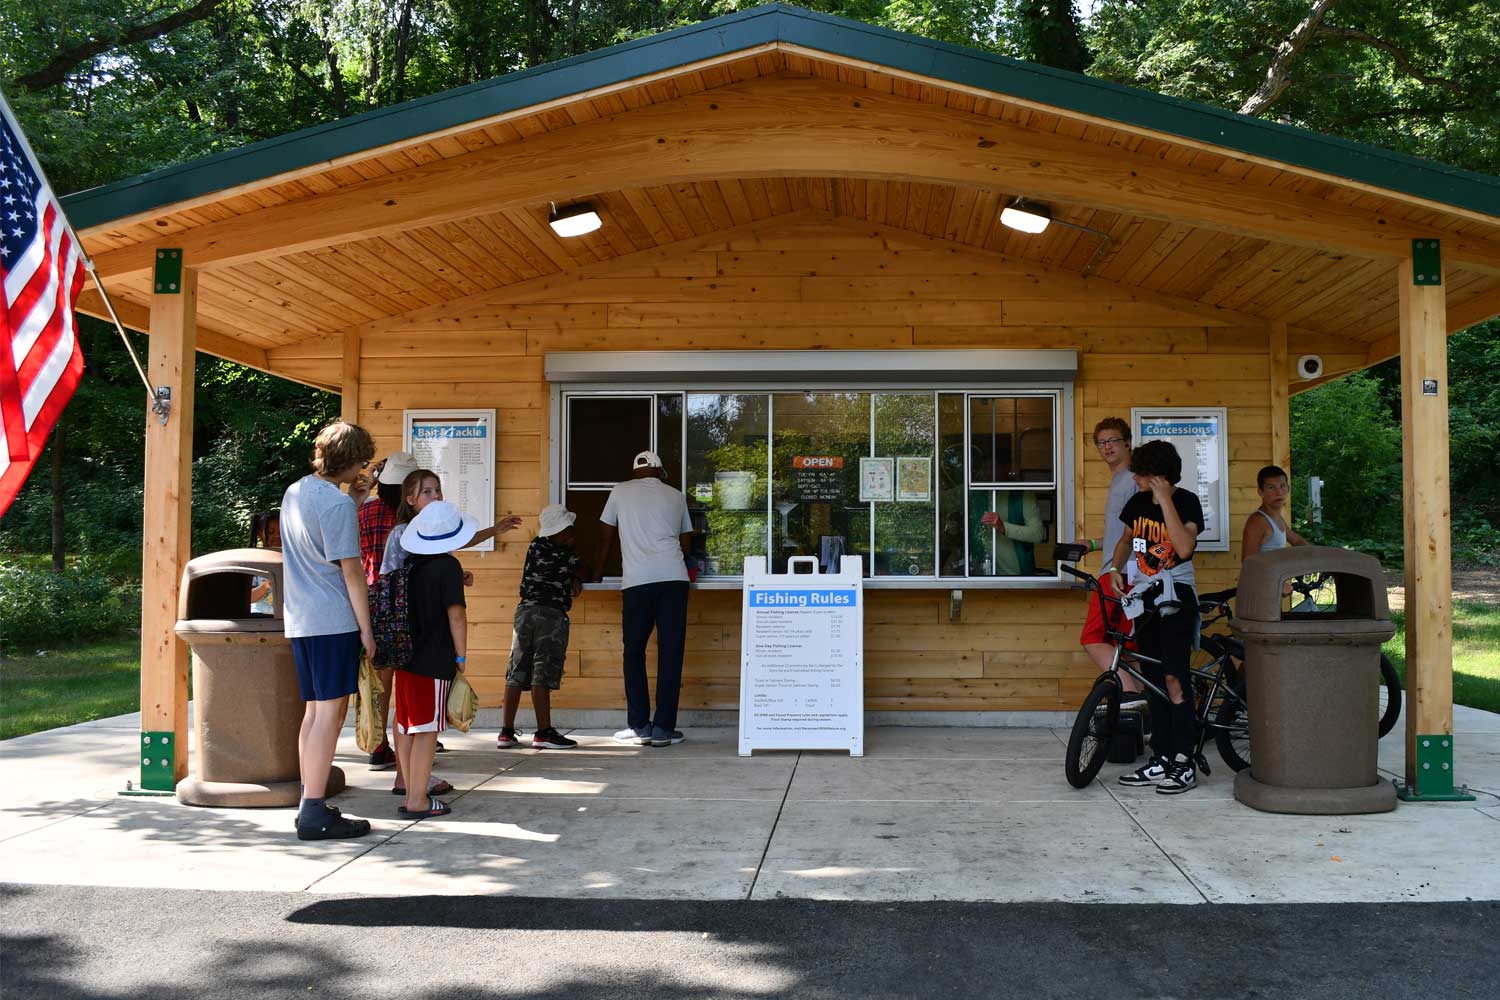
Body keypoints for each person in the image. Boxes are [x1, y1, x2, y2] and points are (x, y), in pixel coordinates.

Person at [379, 467, 521, 797]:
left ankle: (410, 778)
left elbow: (455, 542)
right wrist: (461, 653)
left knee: (411, 716)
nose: (435, 496)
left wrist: (490, 534)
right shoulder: (403, 533)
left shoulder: (431, 542)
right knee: (419, 721)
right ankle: (409, 781)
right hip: (415, 640)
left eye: (438, 490)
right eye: (427, 491)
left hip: (412, 641)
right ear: (410, 499)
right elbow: (395, 581)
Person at [279, 420, 376, 840]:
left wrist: (352, 502)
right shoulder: (336, 507)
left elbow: (317, 544)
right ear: (353, 461)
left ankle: (309, 801)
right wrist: (367, 632)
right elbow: (351, 572)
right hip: (333, 620)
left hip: (301, 618)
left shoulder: (297, 491)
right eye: (364, 461)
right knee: (330, 715)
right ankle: (315, 812)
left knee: (314, 712)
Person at [1106, 439, 1205, 795]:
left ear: (1159, 476)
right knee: (1153, 681)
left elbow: (1183, 548)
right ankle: (1161, 756)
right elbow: (1126, 540)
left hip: (1175, 596)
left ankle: (1184, 760)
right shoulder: (1135, 503)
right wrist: (1115, 568)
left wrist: (1165, 500)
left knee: (1175, 678)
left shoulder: (1186, 501)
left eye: (1142, 474)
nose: (1135, 479)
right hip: (1144, 597)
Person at [593, 450, 694, 748]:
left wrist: (597, 574)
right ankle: (664, 728)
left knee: (633, 652)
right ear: (660, 471)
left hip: (637, 583)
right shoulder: (676, 495)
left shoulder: (619, 491)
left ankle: (639, 726)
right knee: (671, 652)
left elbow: (605, 536)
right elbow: (686, 541)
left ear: (635, 471)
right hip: (674, 580)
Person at [394, 500, 476, 819]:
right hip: (434, 661)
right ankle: (417, 800)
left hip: (406, 660)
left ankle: (411, 789)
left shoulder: (411, 565)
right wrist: (461, 656)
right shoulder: (448, 568)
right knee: (428, 731)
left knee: (407, 726)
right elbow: (456, 616)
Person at [498, 504, 589, 751]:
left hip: (524, 612)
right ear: (560, 532)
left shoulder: (535, 547)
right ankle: (544, 732)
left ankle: (506, 731)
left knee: (516, 672)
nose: (572, 534)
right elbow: (584, 570)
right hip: (550, 615)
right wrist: (574, 576)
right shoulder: (565, 554)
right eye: (569, 530)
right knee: (542, 672)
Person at [1078, 418, 1145, 704]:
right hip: (1122, 570)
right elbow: (1123, 534)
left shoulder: (1133, 480)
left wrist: (1123, 568)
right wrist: (1091, 544)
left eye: (1113, 441)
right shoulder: (1120, 479)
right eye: (1101, 442)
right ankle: (1147, 718)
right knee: (1129, 649)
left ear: (1127, 442)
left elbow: (1141, 532)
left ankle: (1129, 698)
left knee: (1093, 638)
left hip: (1121, 574)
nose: (1107, 447)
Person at [360, 451, 419, 772]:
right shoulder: (409, 518)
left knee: (380, 680)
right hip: (409, 602)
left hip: (371, 601)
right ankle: (414, 738)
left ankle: (377, 744)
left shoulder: (364, 511)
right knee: (412, 676)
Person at [1242, 464, 1309, 558]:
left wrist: (1319, 556)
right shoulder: (1258, 521)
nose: (1279, 493)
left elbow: (1296, 541)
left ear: (1288, 489)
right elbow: (1247, 563)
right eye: (1271, 488)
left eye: (1282, 486)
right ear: (1261, 492)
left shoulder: (1276, 518)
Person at [977, 491, 1047, 575]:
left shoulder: (1023, 495)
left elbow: (1037, 534)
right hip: (981, 573)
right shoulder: (976, 493)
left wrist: (1003, 527)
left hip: (1016, 576)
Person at [249, 511, 281, 615]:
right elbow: (246, 598)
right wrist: (267, 584)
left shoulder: (295, 558)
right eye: (271, 532)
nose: (277, 536)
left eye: (281, 532)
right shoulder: (252, 560)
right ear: (260, 534)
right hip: (261, 621)